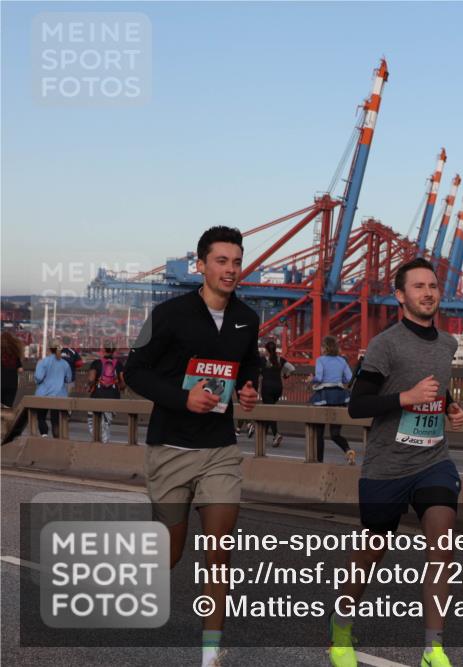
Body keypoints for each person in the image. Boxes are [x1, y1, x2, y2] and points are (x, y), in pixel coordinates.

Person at [124, 226, 260, 667]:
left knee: (219, 551)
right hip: (171, 449)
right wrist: (184, 398)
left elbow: (251, 369)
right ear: (200, 265)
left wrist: (251, 389)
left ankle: (209, 652)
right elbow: (135, 371)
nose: (231, 269)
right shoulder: (167, 314)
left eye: (237, 262)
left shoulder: (247, 318)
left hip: (220, 448)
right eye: (221, 261)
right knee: (172, 552)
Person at [331, 257, 463, 667]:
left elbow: (436, 391)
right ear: (400, 296)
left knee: (442, 546)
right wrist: (404, 398)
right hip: (387, 467)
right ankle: (340, 633)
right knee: (371, 555)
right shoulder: (384, 345)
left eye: (433, 286)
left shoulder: (448, 345)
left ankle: (433, 649)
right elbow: (357, 406)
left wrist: (450, 408)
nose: (428, 293)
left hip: (433, 461)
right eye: (419, 286)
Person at [310, 336, 355, 464]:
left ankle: (319, 461)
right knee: (335, 434)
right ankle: (348, 450)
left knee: (319, 433)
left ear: (325, 347)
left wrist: (311, 380)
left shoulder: (320, 360)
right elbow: (349, 378)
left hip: (323, 397)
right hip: (340, 396)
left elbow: (319, 378)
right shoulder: (342, 361)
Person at [33, 340, 74, 437]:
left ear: (49, 349)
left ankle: (44, 435)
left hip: (43, 394)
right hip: (59, 395)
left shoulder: (43, 362)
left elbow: (38, 377)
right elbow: (69, 379)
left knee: (41, 417)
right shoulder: (65, 364)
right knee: (56, 420)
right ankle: (56, 439)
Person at [87, 343, 125, 443]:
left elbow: (91, 379)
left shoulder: (96, 363)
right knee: (106, 424)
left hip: (97, 396)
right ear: (114, 350)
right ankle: (105, 443)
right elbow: (123, 384)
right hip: (113, 397)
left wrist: (91, 385)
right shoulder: (119, 364)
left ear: (103, 349)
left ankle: (98, 442)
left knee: (92, 421)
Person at [259, 340, 295, 448]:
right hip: (278, 388)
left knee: (269, 412)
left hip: (267, 388)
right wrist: (286, 375)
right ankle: (262, 436)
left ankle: (276, 434)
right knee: (268, 411)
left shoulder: (262, 360)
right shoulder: (280, 359)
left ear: (266, 350)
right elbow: (292, 369)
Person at [1, 331, 25, 408]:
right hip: (12, 384)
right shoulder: (15, 355)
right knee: (8, 406)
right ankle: (5, 419)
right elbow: (20, 370)